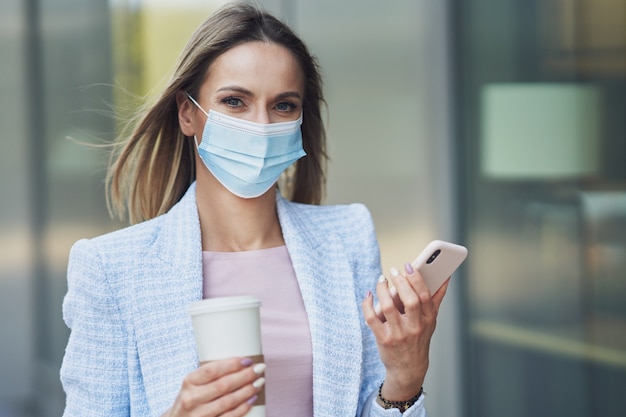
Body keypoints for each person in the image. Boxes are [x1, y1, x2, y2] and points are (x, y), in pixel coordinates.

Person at [60, 2, 448, 416]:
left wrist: (406, 377)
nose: (261, 125)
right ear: (188, 113)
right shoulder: (110, 267)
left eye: (283, 105)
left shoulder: (347, 237)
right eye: (234, 101)